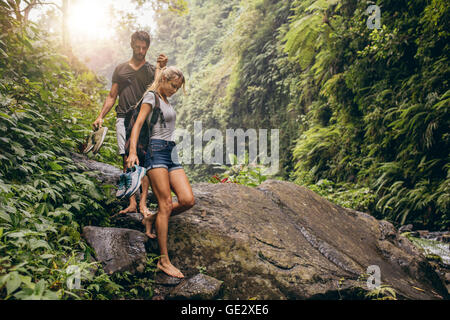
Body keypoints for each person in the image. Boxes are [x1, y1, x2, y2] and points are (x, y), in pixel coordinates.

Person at [127, 66, 195, 279]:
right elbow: (138, 124)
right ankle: (163, 261)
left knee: (187, 199)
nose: (175, 89)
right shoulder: (151, 96)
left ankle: (152, 219)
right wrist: (132, 153)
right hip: (155, 150)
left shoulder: (166, 100)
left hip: (171, 151)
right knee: (166, 203)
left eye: (177, 87)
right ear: (163, 80)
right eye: (173, 85)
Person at [92, 31, 167, 217]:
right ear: (132, 45)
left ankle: (142, 204)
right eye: (138, 47)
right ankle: (131, 202)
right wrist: (100, 116)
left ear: (147, 48)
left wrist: (160, 68)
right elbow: (112, 96)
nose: (141, 51)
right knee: (126, 159)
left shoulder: (150, 70)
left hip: (143, 121)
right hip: (122, 117)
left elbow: (157, 90)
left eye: (144, 48)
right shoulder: (121, 69)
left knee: (143, 158)